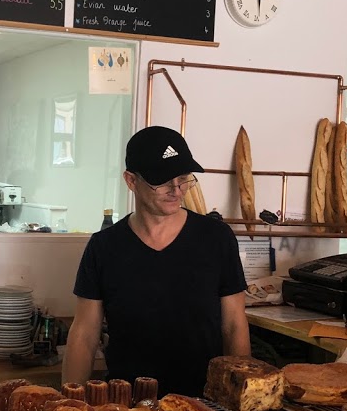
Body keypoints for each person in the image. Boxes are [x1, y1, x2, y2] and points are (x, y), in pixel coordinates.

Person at [62, 125, 251, 397]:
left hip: (204, 402)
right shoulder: (104, 247)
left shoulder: (216, 239)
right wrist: (69, 402)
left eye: (183, 178)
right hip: (126, 403)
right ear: (131, 180)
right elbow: (84, 333)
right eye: (162, 181)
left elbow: (233, 325)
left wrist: (240, 397)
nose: (176, 190)